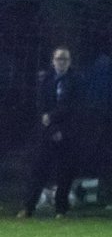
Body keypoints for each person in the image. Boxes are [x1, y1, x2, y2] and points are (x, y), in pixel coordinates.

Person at [18, 46, 80, 219]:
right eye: (59, 59)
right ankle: (28, 207)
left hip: (67, 132)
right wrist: (51, 127)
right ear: (53, 61)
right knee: (38, 170)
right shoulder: (45, 80)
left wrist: (55, 121)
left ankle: (61, 208)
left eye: (65, 59)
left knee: (65, 172)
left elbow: (73, 108)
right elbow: (40, 107)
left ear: (70, 61)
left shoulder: (76, 81)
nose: (62, 62)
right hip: (46, 133)